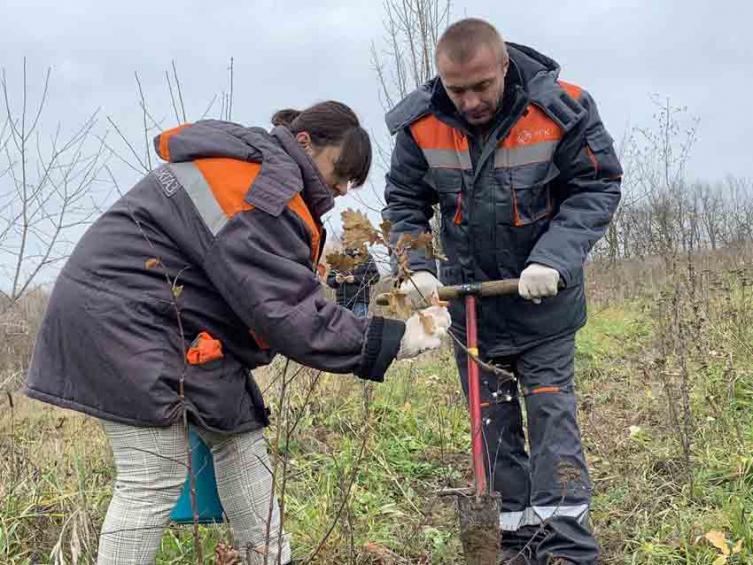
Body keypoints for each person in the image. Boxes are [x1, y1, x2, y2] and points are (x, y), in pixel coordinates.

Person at [25, 101, 451, 564]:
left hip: (174, 321)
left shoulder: (258, 172)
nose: (343, 188)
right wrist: (393, 340)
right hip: (124, 318)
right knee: (153, 473)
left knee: (239, 440)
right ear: (305, 142)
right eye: (341, 171)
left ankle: (269, 556)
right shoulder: (256, 188)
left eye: (353, 180)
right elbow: (288, 312)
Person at [382, 18, 622, 565]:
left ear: (504, 68)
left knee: (550, 417)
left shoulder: (562, 109)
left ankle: (565, 549)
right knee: (492, 428)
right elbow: (404, 202)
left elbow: (597, 184)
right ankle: (510, 545)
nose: (469, 101)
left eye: (481, 87)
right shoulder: (420, 125)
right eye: (456, 89)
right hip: (472, 310)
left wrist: (553, 258)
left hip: (545, 306)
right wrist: (415, 266)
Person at [326, 250, 380, 316]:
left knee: (358, 325)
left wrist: (355, 279)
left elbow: (375, 277)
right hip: (342, 301)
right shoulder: (339, 257)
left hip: (360, 301)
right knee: (342, 325)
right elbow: (329, 280)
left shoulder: (366, 256)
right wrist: (336, 280)